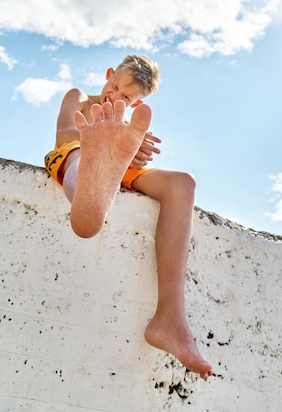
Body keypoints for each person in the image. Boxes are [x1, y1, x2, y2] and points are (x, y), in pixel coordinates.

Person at [44, 55, 213, 380]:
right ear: (109, 74)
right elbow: (65, 133)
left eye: (125, 97)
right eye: (114, 85)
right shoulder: (79, 98)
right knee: (80, 157)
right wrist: (102, 140)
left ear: (136, 103)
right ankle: (89, 197)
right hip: (78, 152)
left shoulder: (126, 126)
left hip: (116, 160)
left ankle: (170, 317)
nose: (114, 95)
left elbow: (130, 148)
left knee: (182, 184)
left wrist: (125, 145)